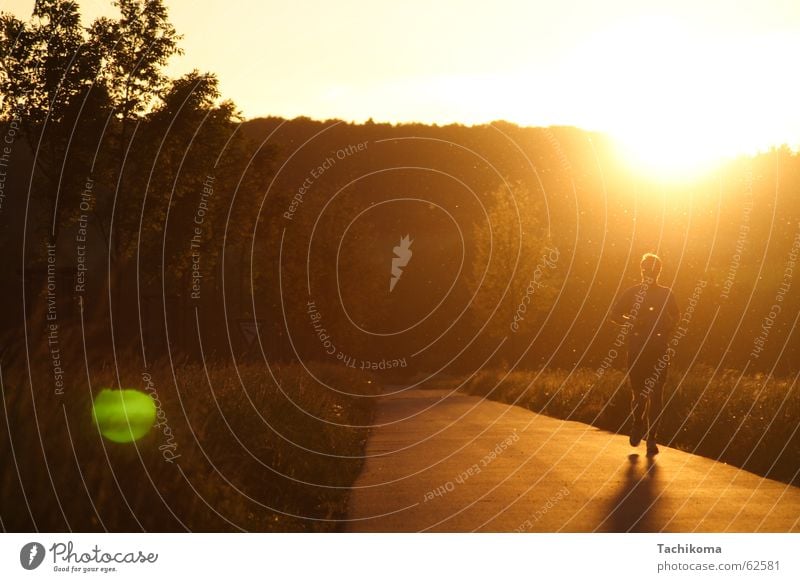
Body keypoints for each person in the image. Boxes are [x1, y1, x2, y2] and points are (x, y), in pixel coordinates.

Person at [609, 253, 679, 457]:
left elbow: (676, 314)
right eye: (645, 269)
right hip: (637, 350)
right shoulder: (632, 293)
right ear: (641, 270)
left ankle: (652, 439)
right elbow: (614, 314)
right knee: (639, 396)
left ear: (658, 271)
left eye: (652, 269)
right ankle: (637, 422)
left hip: (658, 350)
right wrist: (629, 321)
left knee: (657, 395)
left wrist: (670, 325)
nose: (648, 272)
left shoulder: (667, 293)